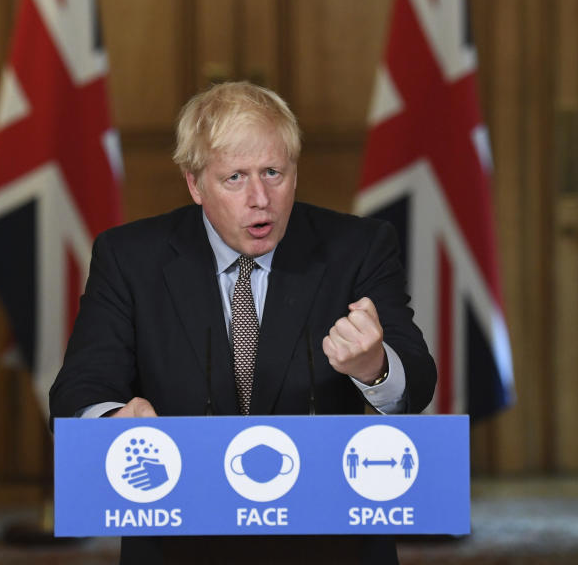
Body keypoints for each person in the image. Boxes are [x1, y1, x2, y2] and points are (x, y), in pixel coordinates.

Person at [49, 82, 436, 564]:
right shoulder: (129, 258)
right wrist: (112, 422)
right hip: (180, 535)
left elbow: (416, 383)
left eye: (274, 172)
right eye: (235, 178)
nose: (260, 198)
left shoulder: (358, 248)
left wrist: (374, 366)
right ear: (195, 184)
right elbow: (79, 388)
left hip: (326, 537)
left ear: (295, 173)